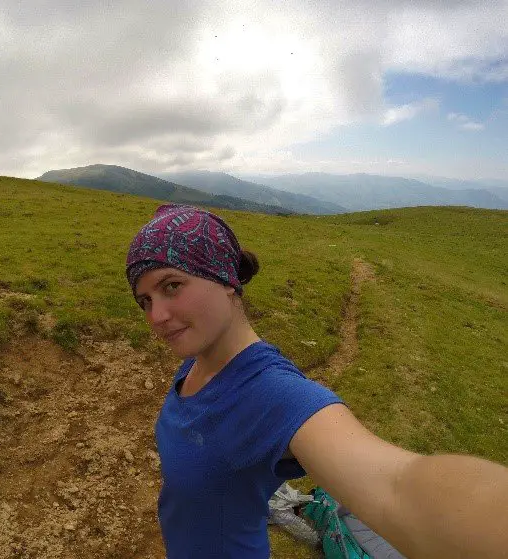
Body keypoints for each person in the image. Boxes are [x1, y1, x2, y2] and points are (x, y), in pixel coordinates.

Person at [125, 203, 508, 559]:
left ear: (225, 280)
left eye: (171, 286)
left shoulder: (274, 393)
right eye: (145, 301)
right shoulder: (196, 361)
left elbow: (396, 484)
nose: (156, 315)